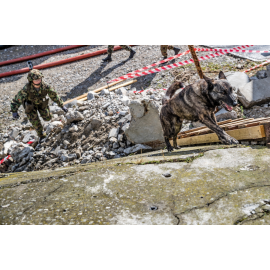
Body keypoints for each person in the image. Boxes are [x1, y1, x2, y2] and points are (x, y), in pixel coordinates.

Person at [10, 69, 68, 141]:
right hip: (30, 106)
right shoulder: (26, 89)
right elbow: (17, 99)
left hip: (41, 103)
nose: (38, 81)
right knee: (35, 122)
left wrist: (62, 105)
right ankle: (41, 135)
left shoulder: (45, 86)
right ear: (31, 80)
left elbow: (54, 95)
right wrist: (14, 111)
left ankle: (48, 120)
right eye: (36, 80)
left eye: (39, 79)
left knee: (48, 118)